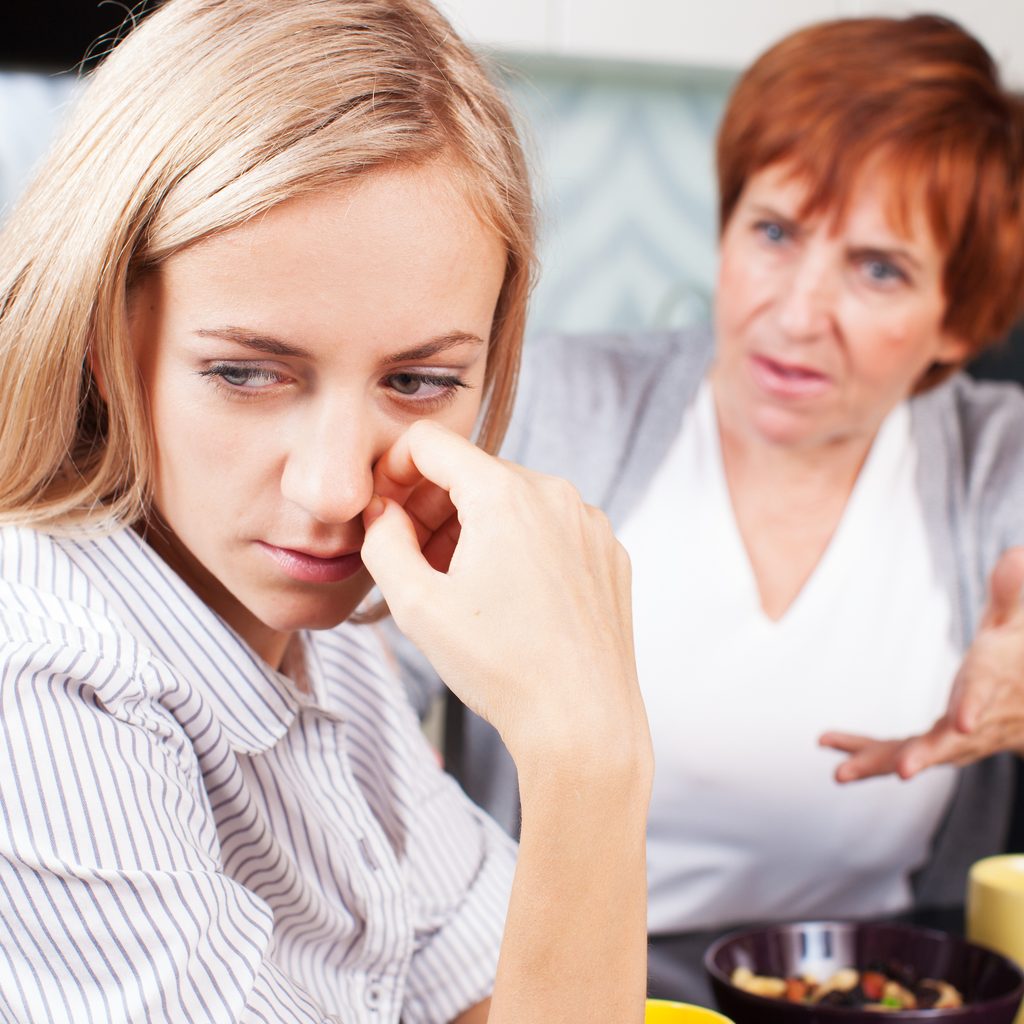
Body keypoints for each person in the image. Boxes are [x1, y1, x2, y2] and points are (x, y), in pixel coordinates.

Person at [0, 1, 653, 1021]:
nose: (338, 490)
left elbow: (475, 987)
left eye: (421, 380)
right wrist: (587, 754)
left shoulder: (311, 612)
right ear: (102, 337)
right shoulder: (41, 680)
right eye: (248, 372)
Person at [396, 13, 1024, 1001]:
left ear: (958, 317)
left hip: (868, 993)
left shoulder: (997, 458)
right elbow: (349, 685)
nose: (794, 312)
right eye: (774, 232)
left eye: (877, 267)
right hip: (548, 985)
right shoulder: (553, 402)